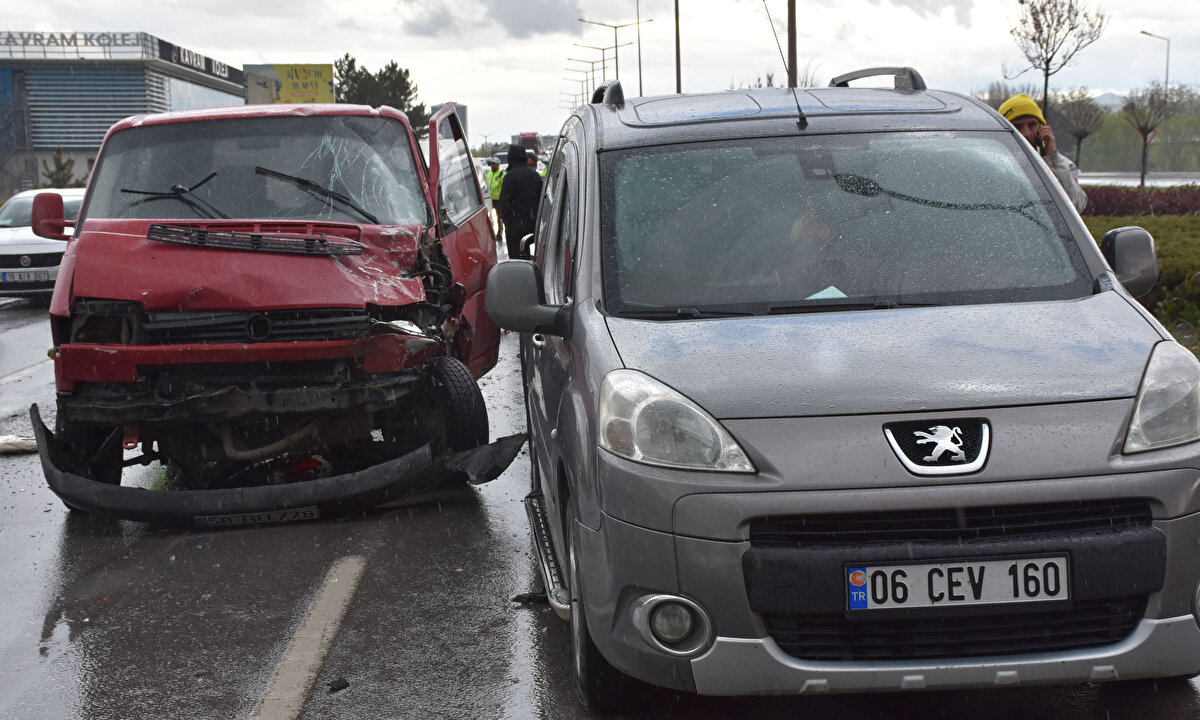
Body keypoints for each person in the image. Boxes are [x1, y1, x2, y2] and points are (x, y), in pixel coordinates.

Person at [998, 94, 1087, 212]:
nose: (1027, 133)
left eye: (1032, 125)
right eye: (1017, 126)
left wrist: (1052, 159)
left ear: (1041, 128)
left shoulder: (1063, 166)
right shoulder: (993, 166)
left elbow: (1075, 206)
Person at [498, 145, 541, 259]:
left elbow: (504, 202)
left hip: (514, 227)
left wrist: (506, 219)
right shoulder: (535, 176)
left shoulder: (509, 177)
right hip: (533, 225)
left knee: (516, 258)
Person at [484, 159, 505, 242]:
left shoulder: (501, 175)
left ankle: (499, 232)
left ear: (498, 165)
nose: (492, 166)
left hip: (498, 199)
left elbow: (503, 188)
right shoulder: (488, 174)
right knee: (489, 217)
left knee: (499, 217)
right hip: (489, 199)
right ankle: (491, 232)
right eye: (491, 164)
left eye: (494, 164)